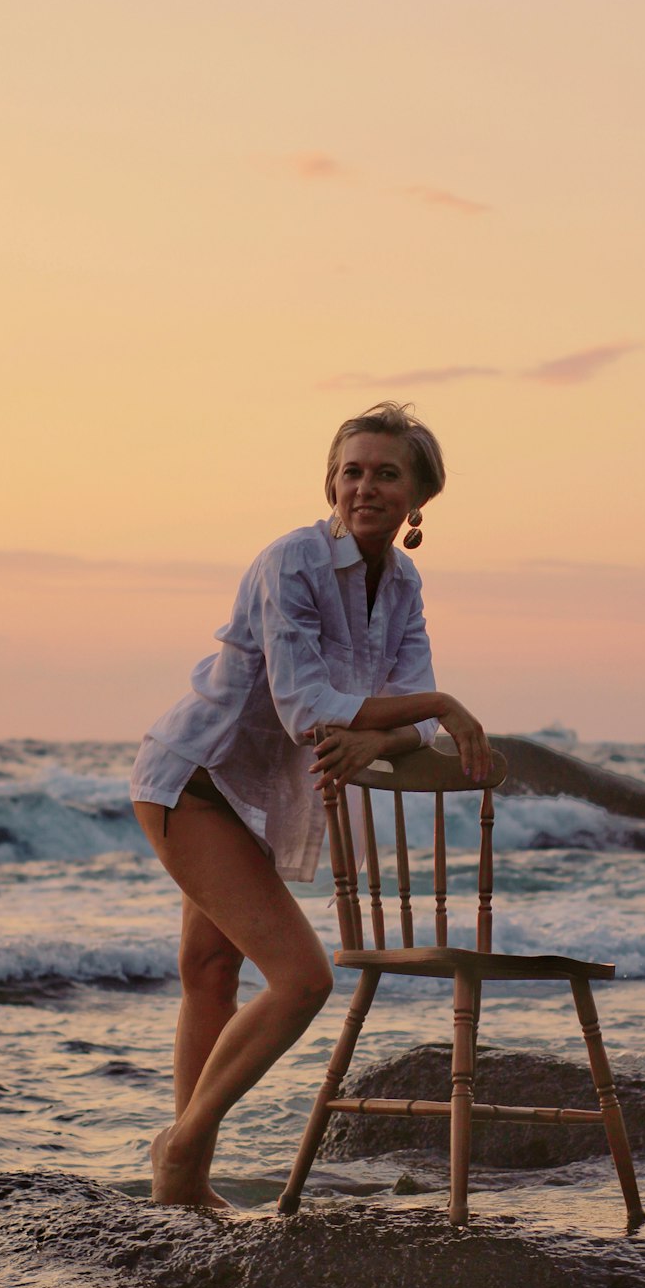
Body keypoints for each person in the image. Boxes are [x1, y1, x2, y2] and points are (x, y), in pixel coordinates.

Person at [130, 401, 492, 1206]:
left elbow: (402, 714)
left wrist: (384, 738)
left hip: (256, 798)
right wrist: (438, 704)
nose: (364, 486)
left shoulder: (402, 584)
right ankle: (181, 1153)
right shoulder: (290, 560)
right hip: (195, 777)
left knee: (211, 975)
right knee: (300, 980)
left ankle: (182, 1181)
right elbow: (306, 708)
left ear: (418, 499)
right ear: (330, 480)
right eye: (351, 470)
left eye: (385, 474)